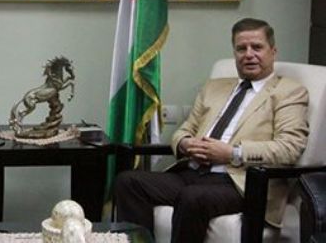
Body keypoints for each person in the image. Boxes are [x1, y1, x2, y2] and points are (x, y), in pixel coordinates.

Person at [114, 18, 309, 243]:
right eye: (241, 48)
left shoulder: (289, 92)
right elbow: (184, 130)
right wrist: (186, 144)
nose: (248, 54)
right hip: (193, 172)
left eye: (257, 47)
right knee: (128, 182)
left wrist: (232, 153)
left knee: (193, 197)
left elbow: (289, 148)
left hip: (241, 182)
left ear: (273, 52)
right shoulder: (214, 87)